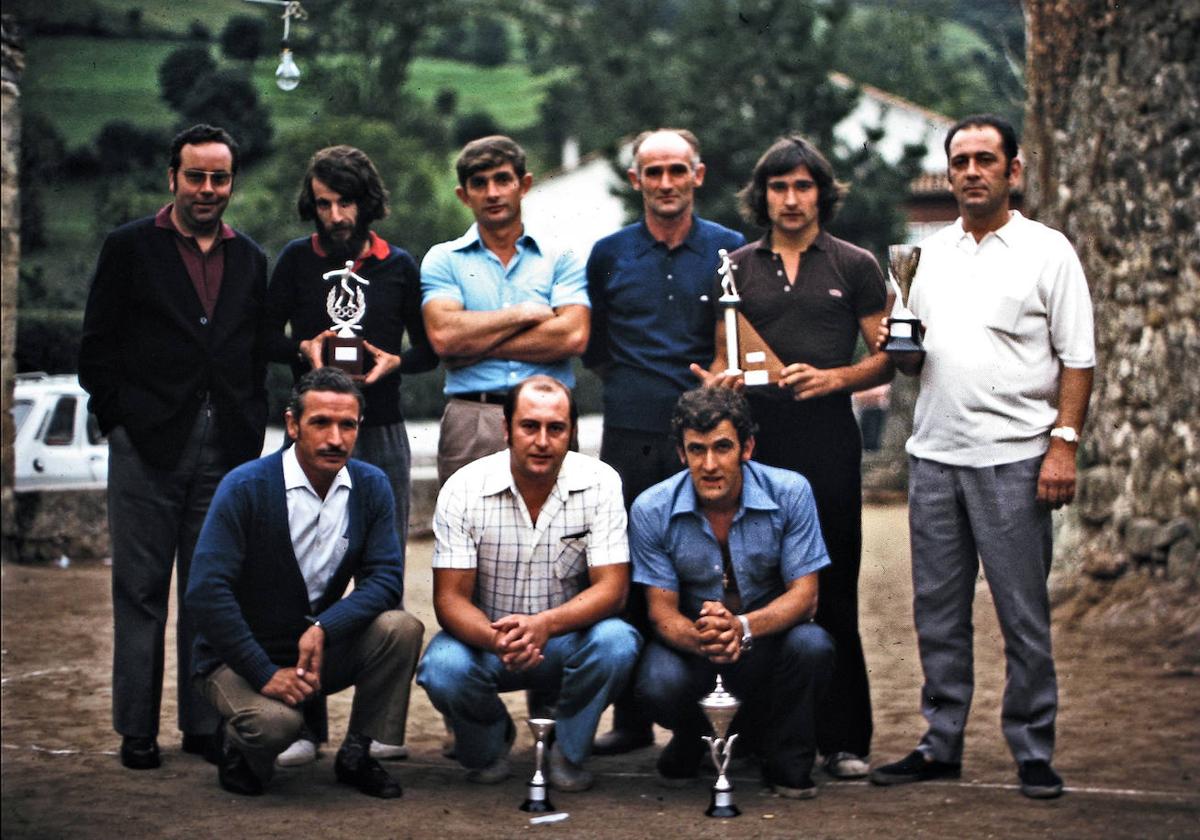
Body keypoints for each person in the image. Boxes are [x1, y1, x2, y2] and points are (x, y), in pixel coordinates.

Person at [869, 114, 1094, 799]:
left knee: (1023, 613)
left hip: (1017, 460)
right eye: (960, 160)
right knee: (936, 613)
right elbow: (910, 363)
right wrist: (897, 345)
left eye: (984, 160)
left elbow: (1077, 359)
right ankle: (941, 743)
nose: (971, 171)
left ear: (1012, 171)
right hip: (933, 458)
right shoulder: (926, 257)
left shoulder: (1048, 251)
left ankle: (1032, 748)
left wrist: (1064, 446)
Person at [694, 136, 890, 779]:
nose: (791, 198)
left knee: (832, 589)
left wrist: (838, 379)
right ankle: (756, 734)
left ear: (822, 194)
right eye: (779, 187)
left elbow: (890, 354)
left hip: (829, 441)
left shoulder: (856, 263)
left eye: (803, 186)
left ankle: (844, 737)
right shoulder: (734, 266)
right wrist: (717, 382)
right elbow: (720, 357)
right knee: (758, 586)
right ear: (763, 196)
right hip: (757, 444)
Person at [79, 124, 269, 770]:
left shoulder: (252, 258)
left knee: (209, 589)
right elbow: (95, 350)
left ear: (231, 183)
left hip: (228, 450)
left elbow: (255, 351)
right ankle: (136, 728)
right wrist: (119, 424)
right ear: (173, 178)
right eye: (196, 176)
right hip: (146, 446)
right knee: (139, 590)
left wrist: (253, 421)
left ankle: (201, 725)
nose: (208, 189)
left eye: (219, 178)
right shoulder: (130, 247)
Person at [265, 145, 437, 766]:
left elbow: (429, 349)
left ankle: (376, 730)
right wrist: (302, 353)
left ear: (367, 201)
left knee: (381, 574)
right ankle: (305, 728)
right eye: (323, 203)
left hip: (383, 431)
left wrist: (396, 363)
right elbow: (263, 333)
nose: (334, 215)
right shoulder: (293, 259)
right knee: (300, 574)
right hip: (310, 433)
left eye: (345, 202)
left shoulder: (398, 264)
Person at [186, 368, 424, 798]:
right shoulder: (245, 486)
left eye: (347, 424)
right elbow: (206, 591)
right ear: (293, 424)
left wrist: (324, 628)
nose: (335, 438)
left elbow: (386, 579)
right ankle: (236, 744)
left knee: (400, 628)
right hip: (235, 658)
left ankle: (357, 752)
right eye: (320, 423)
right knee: (276, 726)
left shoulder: (371, 486)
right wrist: (262, 672)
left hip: (314, 650)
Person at [583, 128, 745, 755]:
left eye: (678, 170)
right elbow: (596, 346)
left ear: (698, 175)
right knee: (624, 572)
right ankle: (630, 719)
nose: (667, 183)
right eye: (654, 173)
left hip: (705, 437)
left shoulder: (731, 249)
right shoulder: (608, 254)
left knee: (702, 568)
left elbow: (734, 337)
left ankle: (698, 719)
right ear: (636, 181)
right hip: (629, 435)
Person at [416, 376, 641, 792]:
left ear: (571, 432)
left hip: (563, 638)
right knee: (442, 668)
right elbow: (449, 600)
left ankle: (566, 748)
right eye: (529, 426)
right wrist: (497, 638)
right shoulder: (463, 490)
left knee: (617, 641)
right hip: (489, 642)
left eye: (555, 428)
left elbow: (613, 589)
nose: (542, 440)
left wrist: (546, 626)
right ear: (506, 429)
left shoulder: (601, 482)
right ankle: (491, 740)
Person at [630, 388, 834, 797]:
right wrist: (707, 637)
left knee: (813, 644)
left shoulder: (790, 491)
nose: (709, 465)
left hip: (765, 642)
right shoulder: (651, 508)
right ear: (681, 453)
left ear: (747, 447)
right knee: (657, 681)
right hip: (694, 645)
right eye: (697, 449)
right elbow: (662, 613)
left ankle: (785, 759)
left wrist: (740, 627)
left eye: (722, 447)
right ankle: (692, 737)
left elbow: (805, 597)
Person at [421, 135, 589, 486]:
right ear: (463, 195)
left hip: (549, 414)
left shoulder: (561, 257)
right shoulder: (444, 259)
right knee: (469, 532)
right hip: (474, 416)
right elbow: (443, 336)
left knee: (558, 532)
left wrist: (470, 347)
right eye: (479, 184)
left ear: (523, 185)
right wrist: (524, 314)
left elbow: (572, 335)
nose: (493, 193)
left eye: (502, 180)